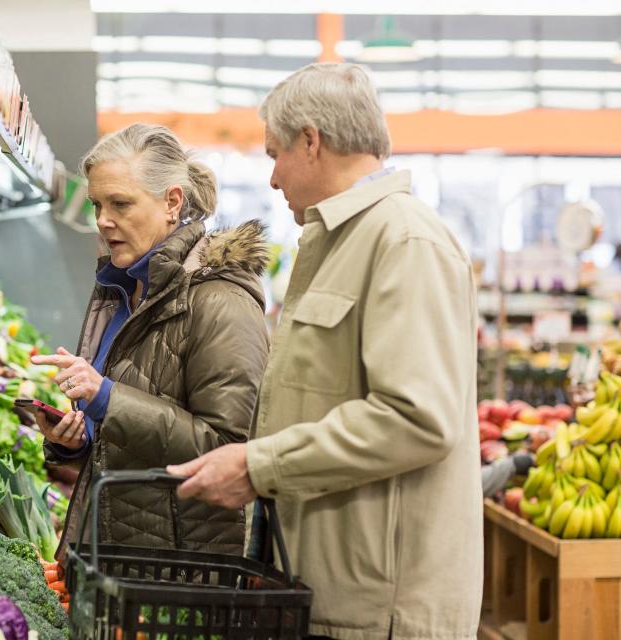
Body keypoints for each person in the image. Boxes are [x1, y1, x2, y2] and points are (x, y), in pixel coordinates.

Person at [167, 63, 483, 640]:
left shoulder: (405, 241)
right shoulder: (343, 240)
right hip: (332, 589)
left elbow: (417, 419)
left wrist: (260, 466)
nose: (272, 179)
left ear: (311, 141)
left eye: (274, 155)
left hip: (383, 611)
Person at [31, 123, 270, 556]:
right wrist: (78, 439)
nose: (103, 220)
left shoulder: (221, 301)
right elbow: (130, 435)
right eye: (97, 204)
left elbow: (228, 448)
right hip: (115, 556)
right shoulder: (120, 287)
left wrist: (106, 397)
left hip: (175, 571)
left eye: (120, 203)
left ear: (171, 202)